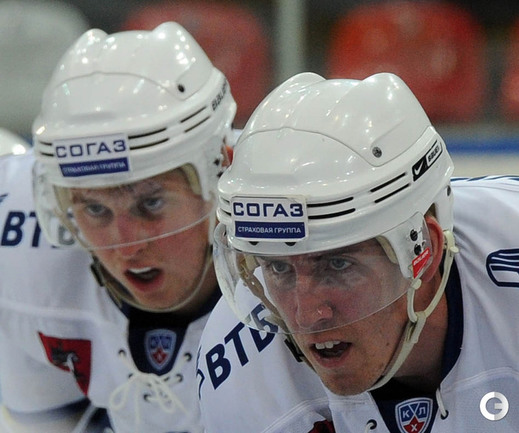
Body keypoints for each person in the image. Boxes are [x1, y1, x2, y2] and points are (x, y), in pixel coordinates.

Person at [197, 71, 519, 432]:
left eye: (338, 265)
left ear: (422, 252)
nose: (305, 315)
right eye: (278, 269)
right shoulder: (241, 374)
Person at [0, 21, 236, 433]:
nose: (125, 246)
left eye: (151, 203)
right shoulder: (19, 244)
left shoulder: (308, 236)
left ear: (222, 170)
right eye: (94, 208)